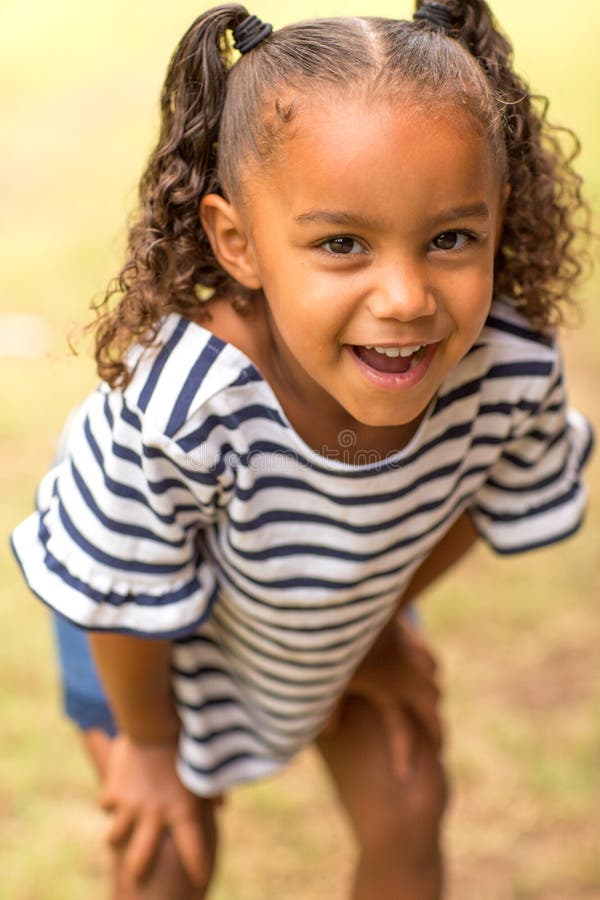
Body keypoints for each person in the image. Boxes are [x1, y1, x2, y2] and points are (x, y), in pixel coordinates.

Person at [11, 1, 593, 897]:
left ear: (498, 216)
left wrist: (379, 625)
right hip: (150, 642)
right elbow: (116, 590)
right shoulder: (181, 410)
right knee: (168, 853)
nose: (405, 297)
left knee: (409, 798)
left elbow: (493, 493)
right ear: (237, 241)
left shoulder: (506, 370)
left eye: (449, 238)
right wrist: (152, 750)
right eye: (342, 243)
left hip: (333, 612)